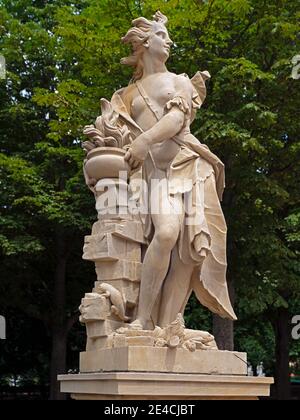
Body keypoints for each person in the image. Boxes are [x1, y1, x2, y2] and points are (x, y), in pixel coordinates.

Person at [110, 11, 236, 329]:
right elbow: (110, 134)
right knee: (167, 233)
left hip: (191, 166)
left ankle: (167, 326)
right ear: (144, 42)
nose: (168, 41)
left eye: (168, 37)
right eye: (162, 36)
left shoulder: (179, 81)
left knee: (190, 253)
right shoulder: (125, 95)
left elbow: (177, 120)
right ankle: (143, 320)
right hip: (153, 174)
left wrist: (144, 141)